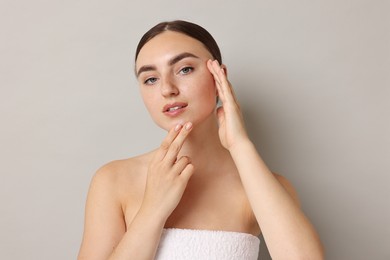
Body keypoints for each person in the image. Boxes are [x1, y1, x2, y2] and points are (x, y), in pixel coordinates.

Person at [78, 20, 324, 260]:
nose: (167, 89)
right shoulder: (113, 180)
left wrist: (240, 146)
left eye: (184, 69)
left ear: (219, 77)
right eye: (151, 79)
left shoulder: (262, 185)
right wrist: (152, 210)